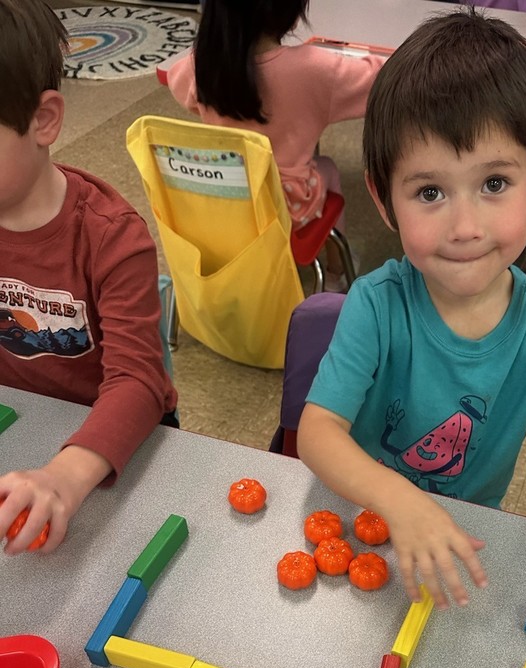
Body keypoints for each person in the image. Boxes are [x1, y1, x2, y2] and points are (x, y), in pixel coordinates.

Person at [297, 10, 526, 659]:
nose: (464, 226)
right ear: (384, 197)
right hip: (368, 518)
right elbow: (318, 432)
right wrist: (400, 500)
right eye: (429, 192)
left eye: (493, 184)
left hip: (464, 542)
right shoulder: (376, 304)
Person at [0, 0, 178, 555]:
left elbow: (139, 384)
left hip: (108, 443)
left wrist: (62, 476)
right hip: (23, 426)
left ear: (44, 119)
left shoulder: (110, 237)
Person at [166, 0, 386, 291]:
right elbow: (381, 78)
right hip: (284, 208)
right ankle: (336, 274)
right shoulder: (316, 68)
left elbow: (175, 80)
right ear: (291, 14)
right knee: (330, 168)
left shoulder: (202, 63)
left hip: (224, 197)